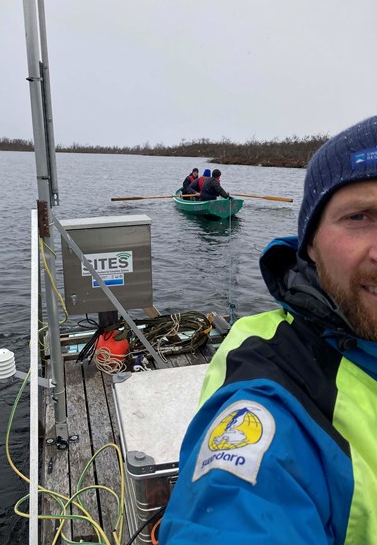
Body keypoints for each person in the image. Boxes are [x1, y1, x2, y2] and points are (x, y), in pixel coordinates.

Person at [159, 115, 377, 544]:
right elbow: (239, 510)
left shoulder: (208, 184)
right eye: (359, 216)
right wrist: (220, 196)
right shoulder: (272, 392)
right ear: (309, 243)